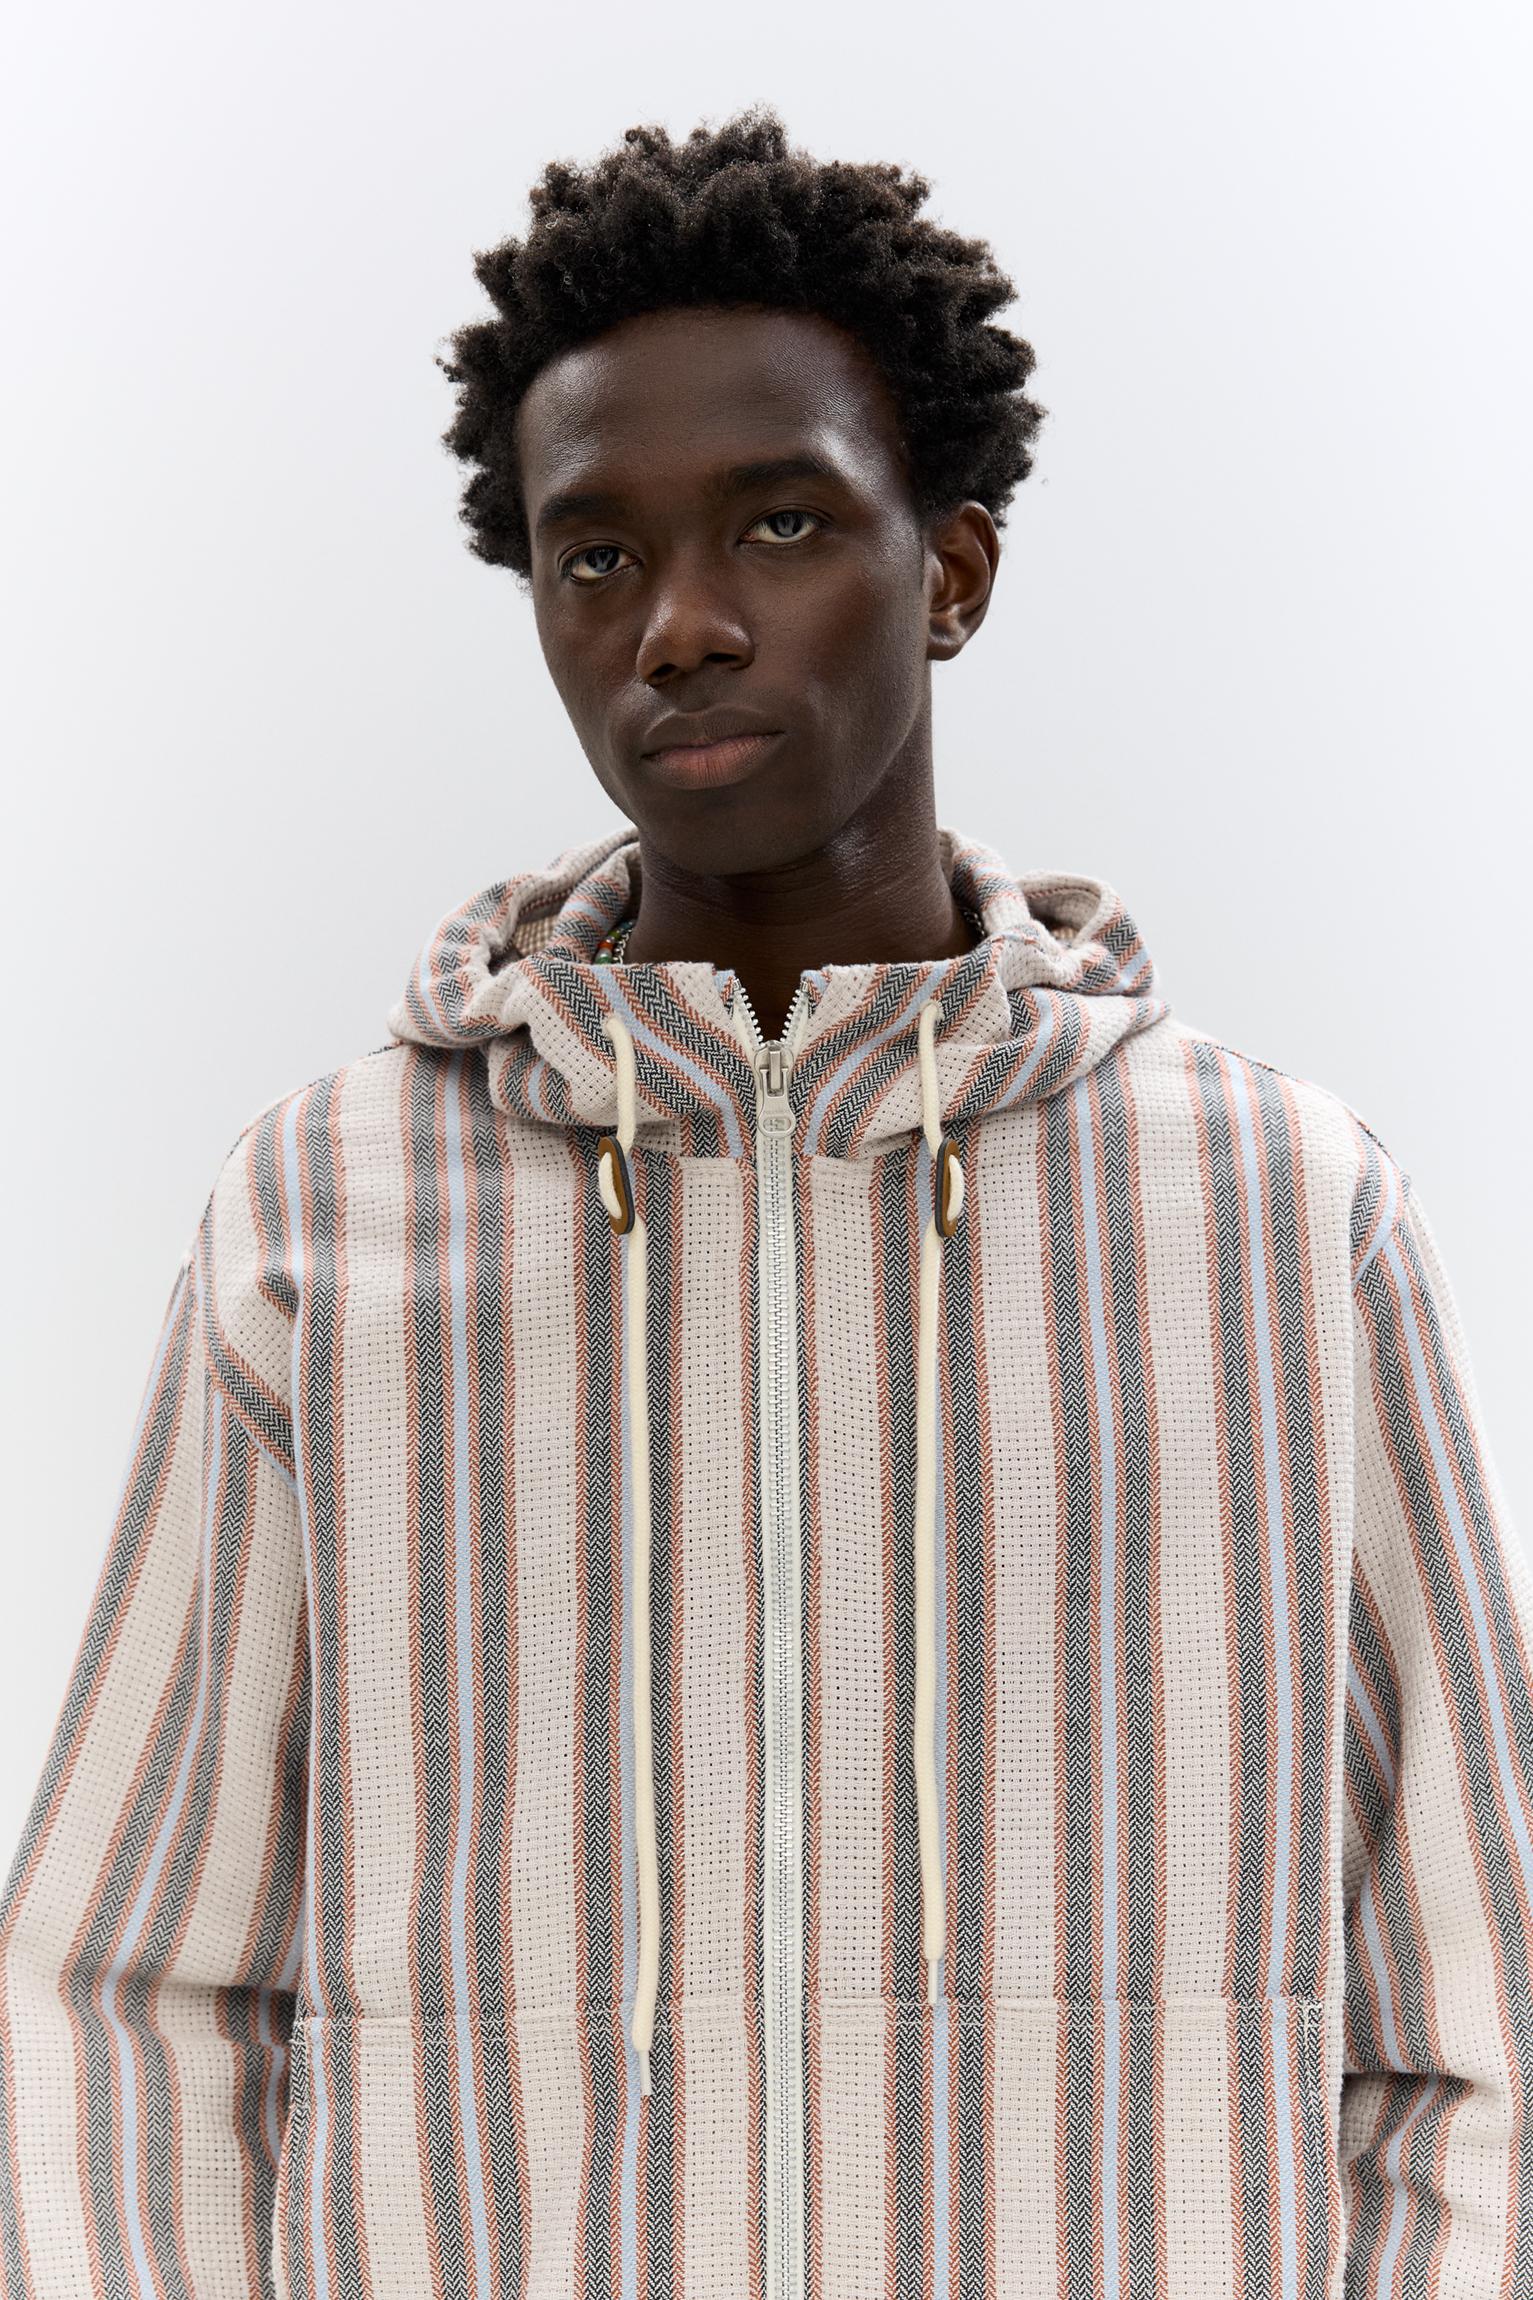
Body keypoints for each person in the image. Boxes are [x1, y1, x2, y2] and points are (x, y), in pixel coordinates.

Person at [2, 102, 1529, 2300]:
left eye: (781, 524)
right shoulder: (324, 1220)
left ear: (952, 570)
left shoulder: (1281, 1222)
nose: (681, 627)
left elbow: (1474, 2009)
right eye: (594, 556)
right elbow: (123, 1986)